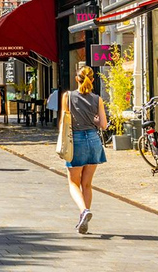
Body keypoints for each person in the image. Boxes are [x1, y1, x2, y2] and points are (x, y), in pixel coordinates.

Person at [63, 66, 108, 234]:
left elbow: (63, 122)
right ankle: (83, 219)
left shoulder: (67, 97)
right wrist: (95, 121)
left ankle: (84, 211)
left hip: (77, 140)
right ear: (93, 80)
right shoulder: (98, 99)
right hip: (94, 140)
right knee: (87, 184)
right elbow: (103, 125)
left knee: (73, 183)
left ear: (77, 79)